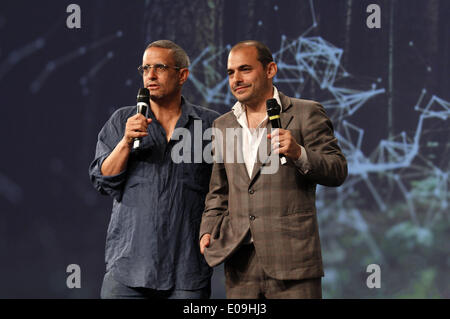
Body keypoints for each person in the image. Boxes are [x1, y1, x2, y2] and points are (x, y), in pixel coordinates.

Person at [199, 40, 347, 298]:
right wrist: (208, 228)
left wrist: (299, 152)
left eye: (245, 69)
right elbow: (219, 190)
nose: (236, 79)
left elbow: (337, 170)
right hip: (240, 262)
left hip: (293, 260)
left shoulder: (306, 112)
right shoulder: (222, 126)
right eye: (231, 73)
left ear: (270, 70)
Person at [89, 40, 219, 299]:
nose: (150, 75)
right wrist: (126, 142)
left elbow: (225, 189)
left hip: (186, 271)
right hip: (128, 268)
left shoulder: (210, 125)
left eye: (159, 67)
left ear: (182, 75)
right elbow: (103, 180)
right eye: (145, 68)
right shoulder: (122, 120)